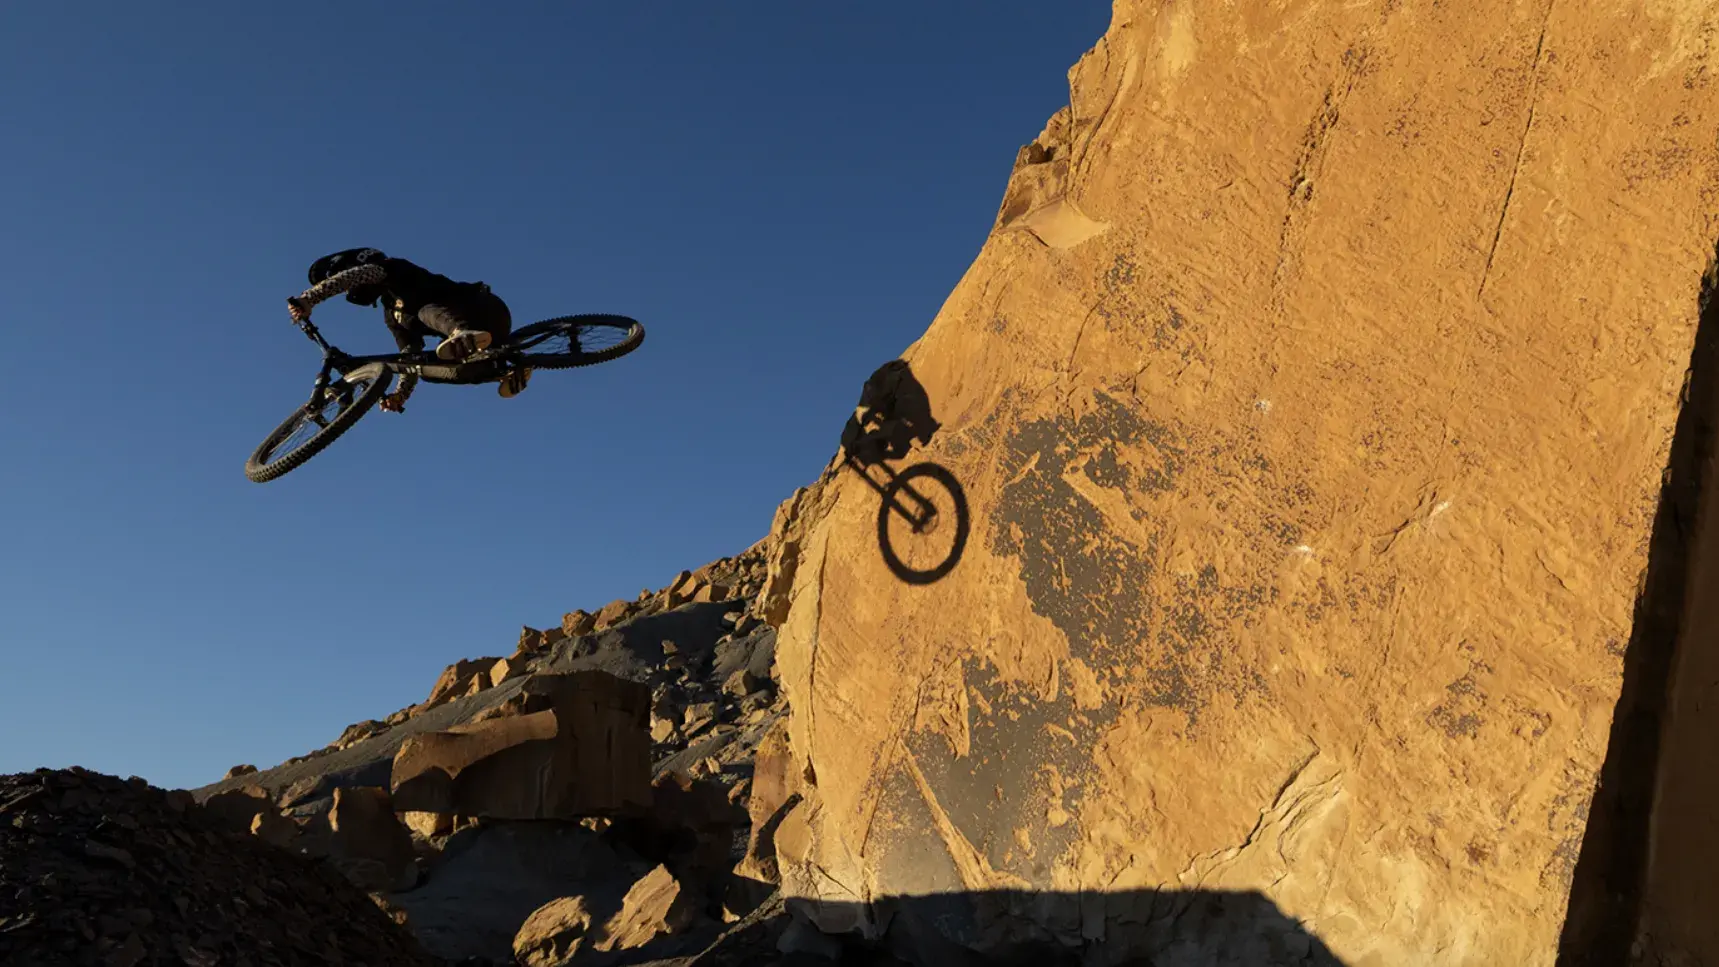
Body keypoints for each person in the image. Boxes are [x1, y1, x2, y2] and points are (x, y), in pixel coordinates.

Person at [286, 247, 530, 411]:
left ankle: (462, 333)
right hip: (487, 339)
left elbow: (359, 275)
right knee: (424, 367)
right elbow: (409, 352)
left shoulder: (391, 269)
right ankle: (505, 372)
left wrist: (309, 298)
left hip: (483, 308)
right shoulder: (393, 315)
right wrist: (400, 394)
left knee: (423, 310)